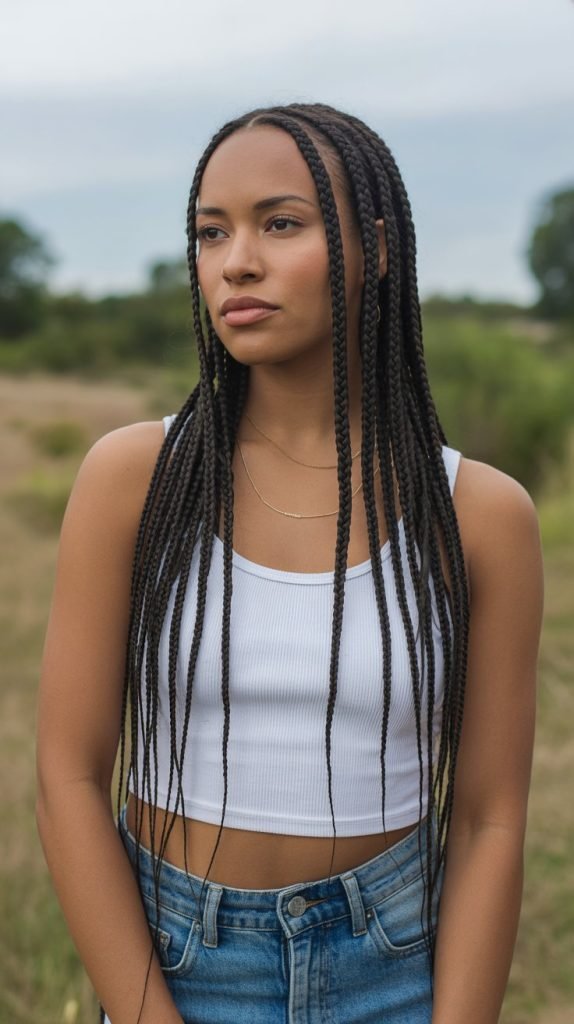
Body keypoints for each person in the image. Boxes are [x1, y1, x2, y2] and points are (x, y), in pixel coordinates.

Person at [36, 102, 544, 1024]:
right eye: (211, 231)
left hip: (393, 965)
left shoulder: (479, 516)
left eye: (281, 223)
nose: (238, 261)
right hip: (178, 960)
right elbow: (67, 776)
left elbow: (488, 820)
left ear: (377, 249)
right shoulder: (133, 480)